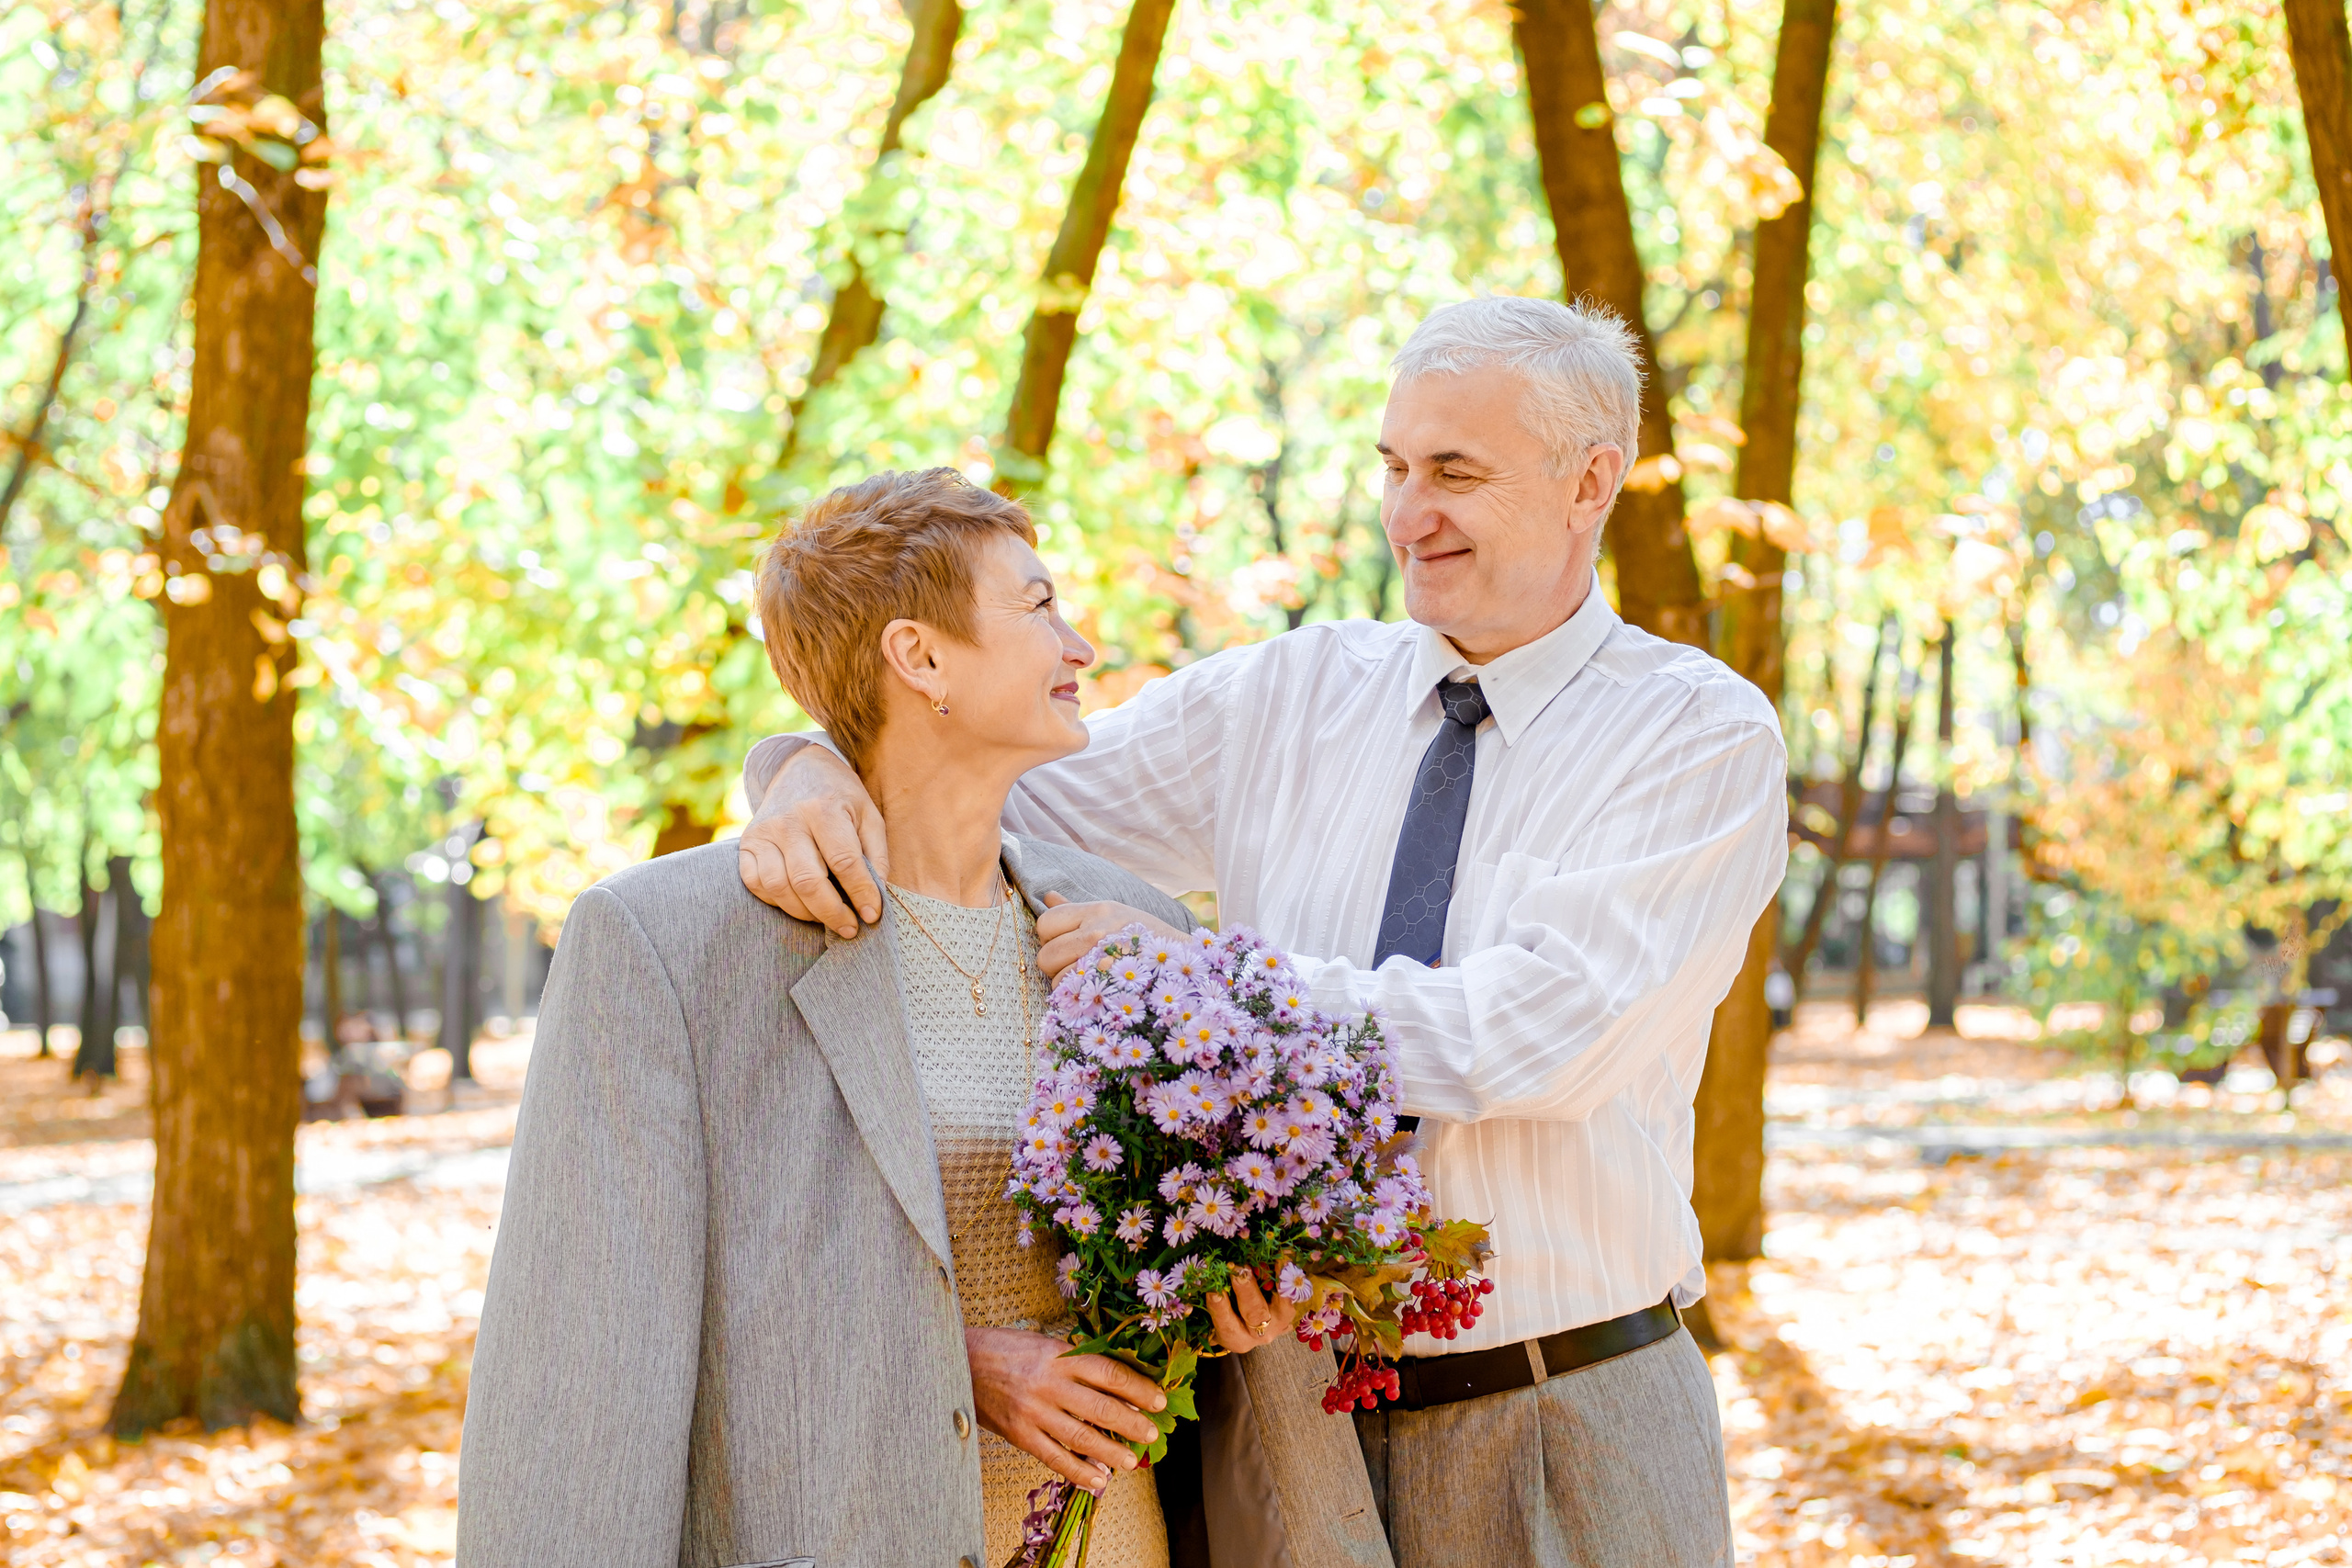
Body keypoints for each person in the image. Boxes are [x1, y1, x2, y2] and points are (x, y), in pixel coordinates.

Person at [734, 297, 1790, 1567]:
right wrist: (801, 766)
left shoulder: (1695, 734)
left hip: (1566, 1414)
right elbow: (971, 776)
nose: (1409, 513)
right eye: (1395, 466)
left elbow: (1543, 1034)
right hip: (1283, 1418)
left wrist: (1215, 991)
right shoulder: (1285, 693)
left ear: (1591, 480)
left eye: (1456, 471)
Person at [458, 469, 1382, 1568]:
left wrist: (1241, 1300)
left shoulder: (1129, 930)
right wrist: (955, 1365)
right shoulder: (667, 946)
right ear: (921, 657)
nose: (1080, 645)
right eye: (1038, 607)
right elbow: (585, 1369)